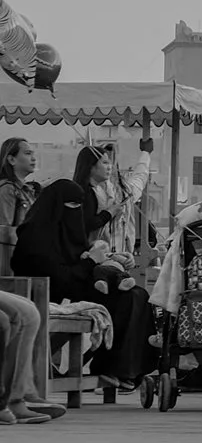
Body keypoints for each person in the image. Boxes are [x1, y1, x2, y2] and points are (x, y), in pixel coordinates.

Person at [11, 146, 150, 389]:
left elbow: (79, 255)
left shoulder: (65, 230)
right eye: (72, 205)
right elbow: (60, 276)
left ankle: (127, 369)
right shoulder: (36, 237)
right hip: (51, 292)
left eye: (79, 206)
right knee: (126, 300)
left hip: (75, 285)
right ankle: (111, 368)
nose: (75, 212)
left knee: (139, 295)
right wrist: (92, 261)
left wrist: (110, 258)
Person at [0, 139, 63, 425]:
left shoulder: (28, 190)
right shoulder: (7, 190)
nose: (33, 158)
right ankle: (19, 396)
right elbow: (4, 231)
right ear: (11, 159)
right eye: (27, 153)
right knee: (23, 314)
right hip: (10, 267)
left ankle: (25, 392)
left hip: (24, 265)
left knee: (29, 311)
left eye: (34, 153)